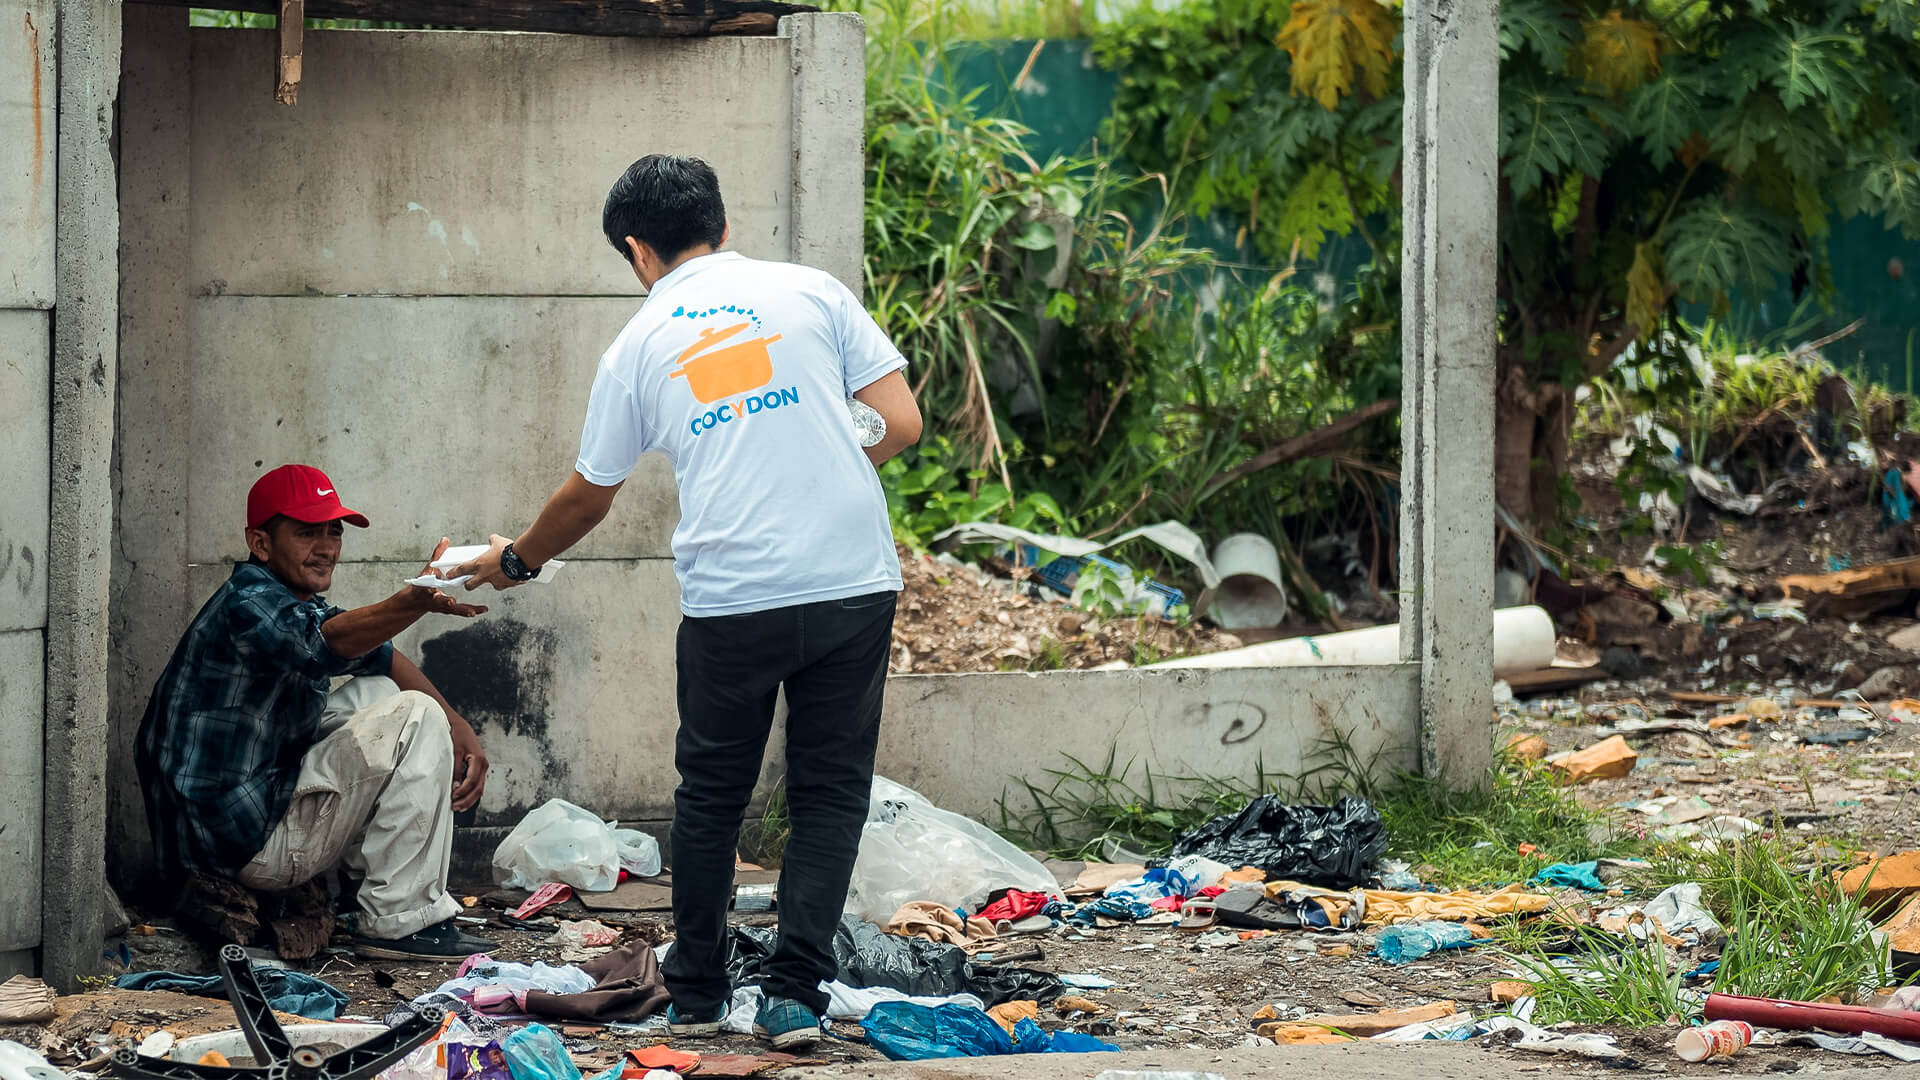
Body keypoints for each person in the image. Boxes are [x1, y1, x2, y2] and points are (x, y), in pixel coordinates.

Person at [455, 154, 922, 1048]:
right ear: (723, 224)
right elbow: (899, 423)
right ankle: (793, 999)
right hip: (851, 583)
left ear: (638, 250)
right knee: (829, 795)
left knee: (710, 798)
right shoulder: (813, 291)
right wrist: (814, 459)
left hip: (733, 599)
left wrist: (515, 559)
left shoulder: (637, 345)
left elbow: (590, 496)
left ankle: (700, 995)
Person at [136, 463, 497, 961]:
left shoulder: (282, 599)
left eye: (334, 532)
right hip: (236, 848)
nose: (326, 547)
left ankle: (365, 886)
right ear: (261, 544)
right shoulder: (249, 603)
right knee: (415, 717)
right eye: (307, 533)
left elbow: (379, 656)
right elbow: (327, 642)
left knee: (381, 692)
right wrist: (411, 601)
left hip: (245, 821)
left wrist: (458, 726)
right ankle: (399, 920)